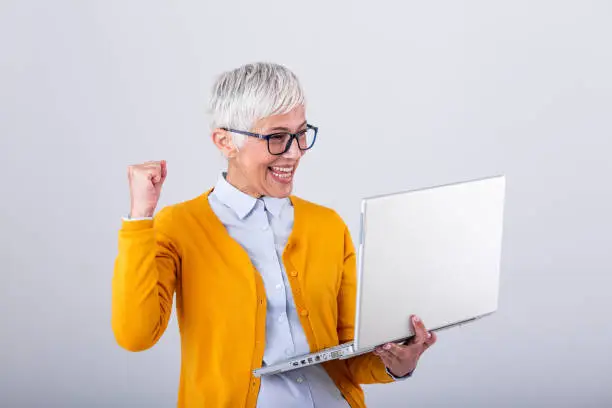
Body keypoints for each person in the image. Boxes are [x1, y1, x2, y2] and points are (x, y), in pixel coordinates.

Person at [111, 62, 437, 407]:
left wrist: (397, 364)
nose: (295, 152)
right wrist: (139, 218)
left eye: (300, 134)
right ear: (225, 141)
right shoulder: (178, 226)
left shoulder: (327, 225)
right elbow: (136, 335)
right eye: (277, 137)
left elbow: (349, 354)